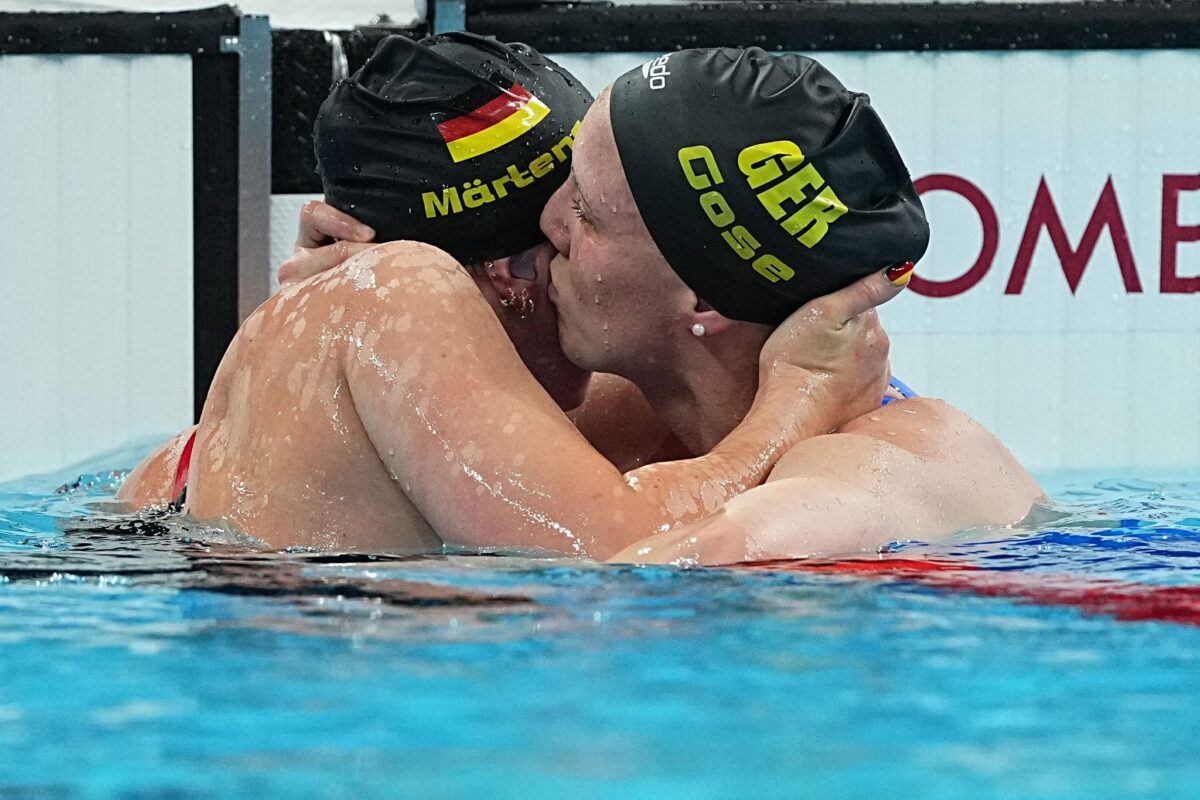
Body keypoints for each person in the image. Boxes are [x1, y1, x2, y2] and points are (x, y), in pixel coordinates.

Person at [118, 34, 898, 557]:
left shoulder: (185, 459)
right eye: (554, 249)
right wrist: (797, 400)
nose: (566, 281)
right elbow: (621, 554)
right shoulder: (403, 289)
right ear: (500, 273)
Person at [287, 46, 1044, 565]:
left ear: (704, 294)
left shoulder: (881, 468)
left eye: (584, 211)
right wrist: (345, 326)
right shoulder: (637, 417)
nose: (549, 226)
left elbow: (644, 574)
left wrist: (798, 405)